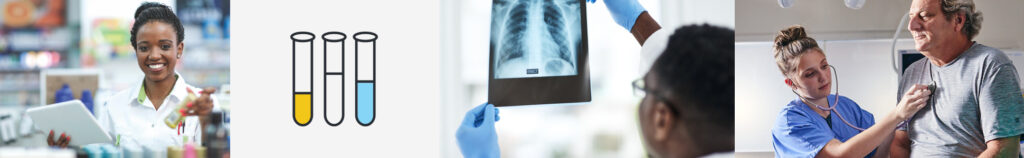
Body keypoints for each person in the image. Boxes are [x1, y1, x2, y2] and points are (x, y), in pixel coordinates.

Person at [47, 2, 219, 148]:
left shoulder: (202, 104)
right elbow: (99, 152)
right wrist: (69, 149)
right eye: (144, 48)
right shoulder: (115, 106)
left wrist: (206, 124)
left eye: (165, 46)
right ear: (136, 50)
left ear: (179, 49)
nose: (154, 55)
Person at [769, 25, 932, 158]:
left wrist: (897, 123)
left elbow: (877, 155)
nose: (823, 77)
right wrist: (896, 115)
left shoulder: (847, 107)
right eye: (810, 74)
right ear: (791, 83)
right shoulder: (790, 122)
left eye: (824, 66)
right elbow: (840, 155)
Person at [890, 0, 1024, 157]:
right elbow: (900, 143)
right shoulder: (912, 73)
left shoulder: (991, 65)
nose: (911, 26)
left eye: (924, 16)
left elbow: (1005, 150)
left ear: (958, 20)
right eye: (911, 17)